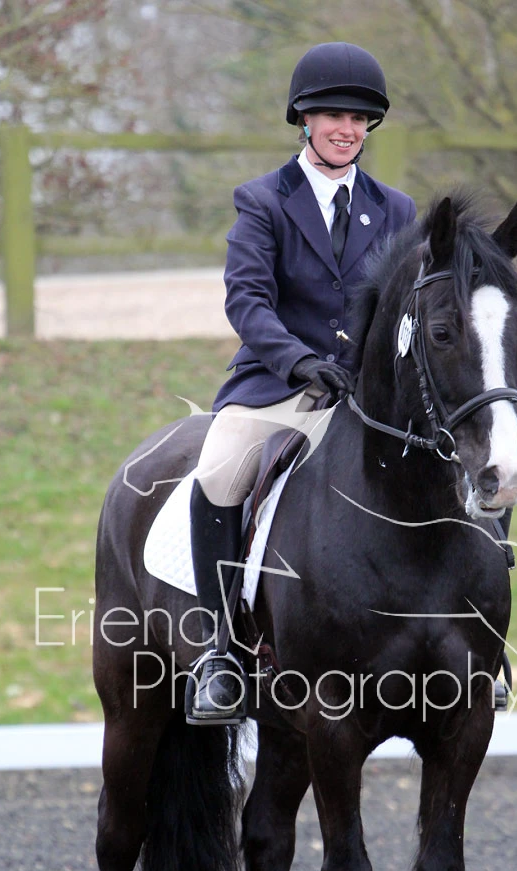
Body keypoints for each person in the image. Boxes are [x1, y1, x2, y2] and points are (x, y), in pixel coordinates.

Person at [186, 42, 417, 724]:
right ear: (305, 120)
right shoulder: (264, 201)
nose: (347, 129)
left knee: (466, 458)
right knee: (218, 472)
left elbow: (406, 305)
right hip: (279, 385)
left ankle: (478, 640)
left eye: (359, 118)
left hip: (368, 393)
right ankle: (221, 653)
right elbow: (247, 300)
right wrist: (297, 361)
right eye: (333, 116)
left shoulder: (396, 209)